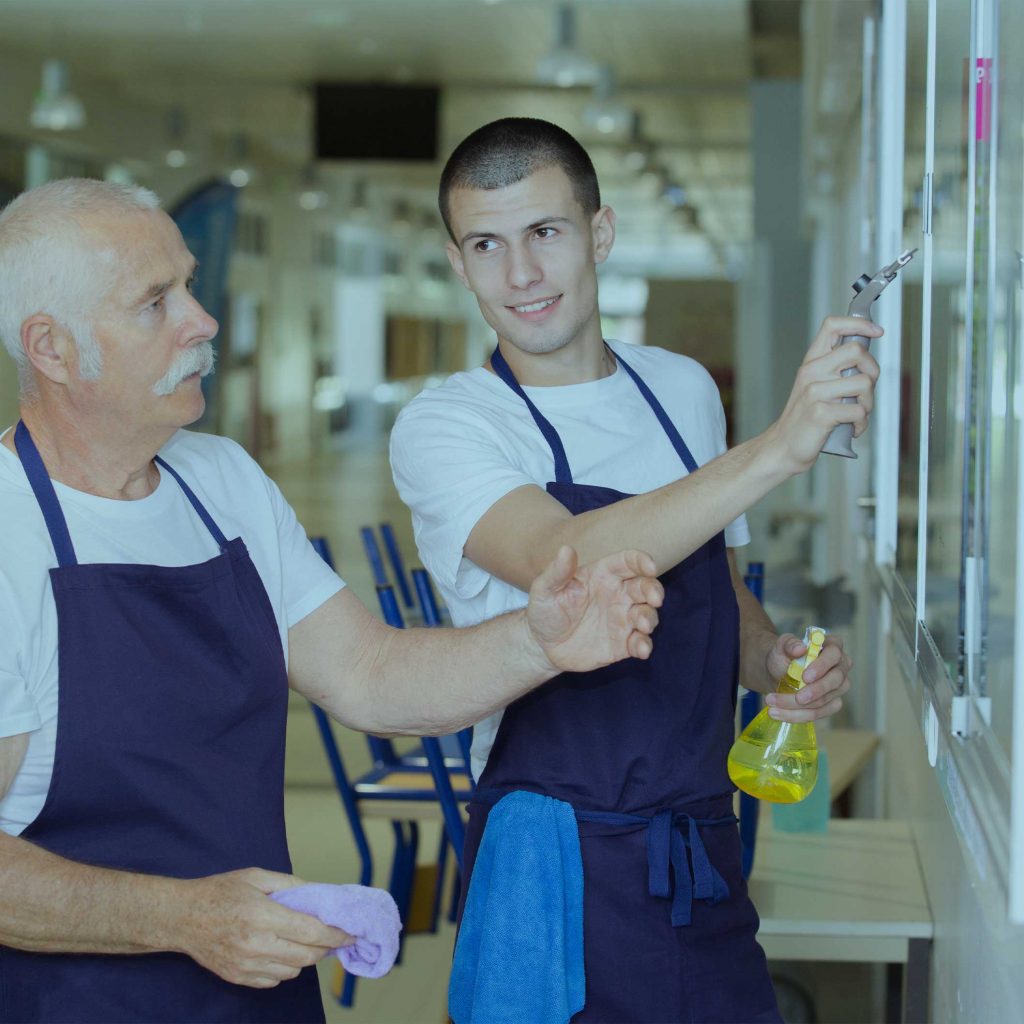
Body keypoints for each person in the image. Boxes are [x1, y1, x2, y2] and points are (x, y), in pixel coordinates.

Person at [0, 178, 664, 1023]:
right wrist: (180, 919)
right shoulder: (8, 539)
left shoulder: (222, 483)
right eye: (155, 302)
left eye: (190, 285)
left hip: (259, 991)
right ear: (51, 350)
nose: (202, 321)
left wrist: (542, 644)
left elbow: (369, 671)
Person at [389, 118, 881, 1023]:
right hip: (552, 860)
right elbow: (566, 566)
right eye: (488, 246)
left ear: (599, 234)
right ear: (460, 265)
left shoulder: (683, 389)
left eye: (545, 233)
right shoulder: (452, 425)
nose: (522, 276)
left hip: (700, 842)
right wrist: (778, 448)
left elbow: (721, 588)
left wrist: (771, 663)